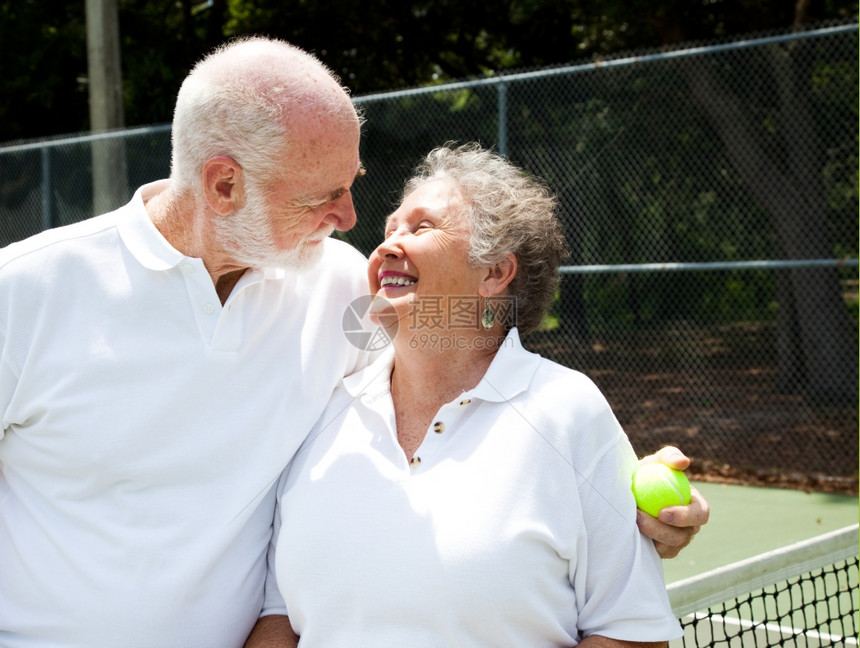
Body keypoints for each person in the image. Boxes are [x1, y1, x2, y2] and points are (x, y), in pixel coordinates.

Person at [0, 38, 706, 648]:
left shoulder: (342, 288)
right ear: (223, 185)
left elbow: (470, 365)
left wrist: (625, 495)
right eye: (323, 196)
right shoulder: (22, 293)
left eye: (354, 185)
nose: (350, 218)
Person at [251, 144, 689, 647]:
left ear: (494, 273)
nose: (388, 245)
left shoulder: (568, 411)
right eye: (390, 228)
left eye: (420, 228)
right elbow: (279, 614)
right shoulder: (323, 408)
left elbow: (631, 630)